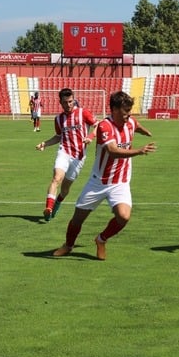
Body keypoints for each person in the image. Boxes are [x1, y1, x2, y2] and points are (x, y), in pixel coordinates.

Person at [52, 91, 156, 260]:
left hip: (120, 182)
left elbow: (135, 124)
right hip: (98, 182)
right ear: (113, 110)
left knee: (123, 217)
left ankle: (101, 240)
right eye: (124, 113)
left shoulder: (129, 121)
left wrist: (146, 131)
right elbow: (113, 151)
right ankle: (68, 245)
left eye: (129, 112)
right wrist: (139, 151)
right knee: (77, 219)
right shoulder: (104, 126)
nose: (127, 116)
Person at [35, 88, 98, 222]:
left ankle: (57, 202)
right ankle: (48, 208)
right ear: (60, 102)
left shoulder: (83, 113)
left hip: (79, 157)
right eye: (65, 102)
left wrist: (90, 136)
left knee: (65, 190)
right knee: (56, 178)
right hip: (64, 152)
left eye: (70, 101)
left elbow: (98, 125)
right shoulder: (58, 119)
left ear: (73, 100)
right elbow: (58, 137)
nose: (68, 105)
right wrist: (45, 144)